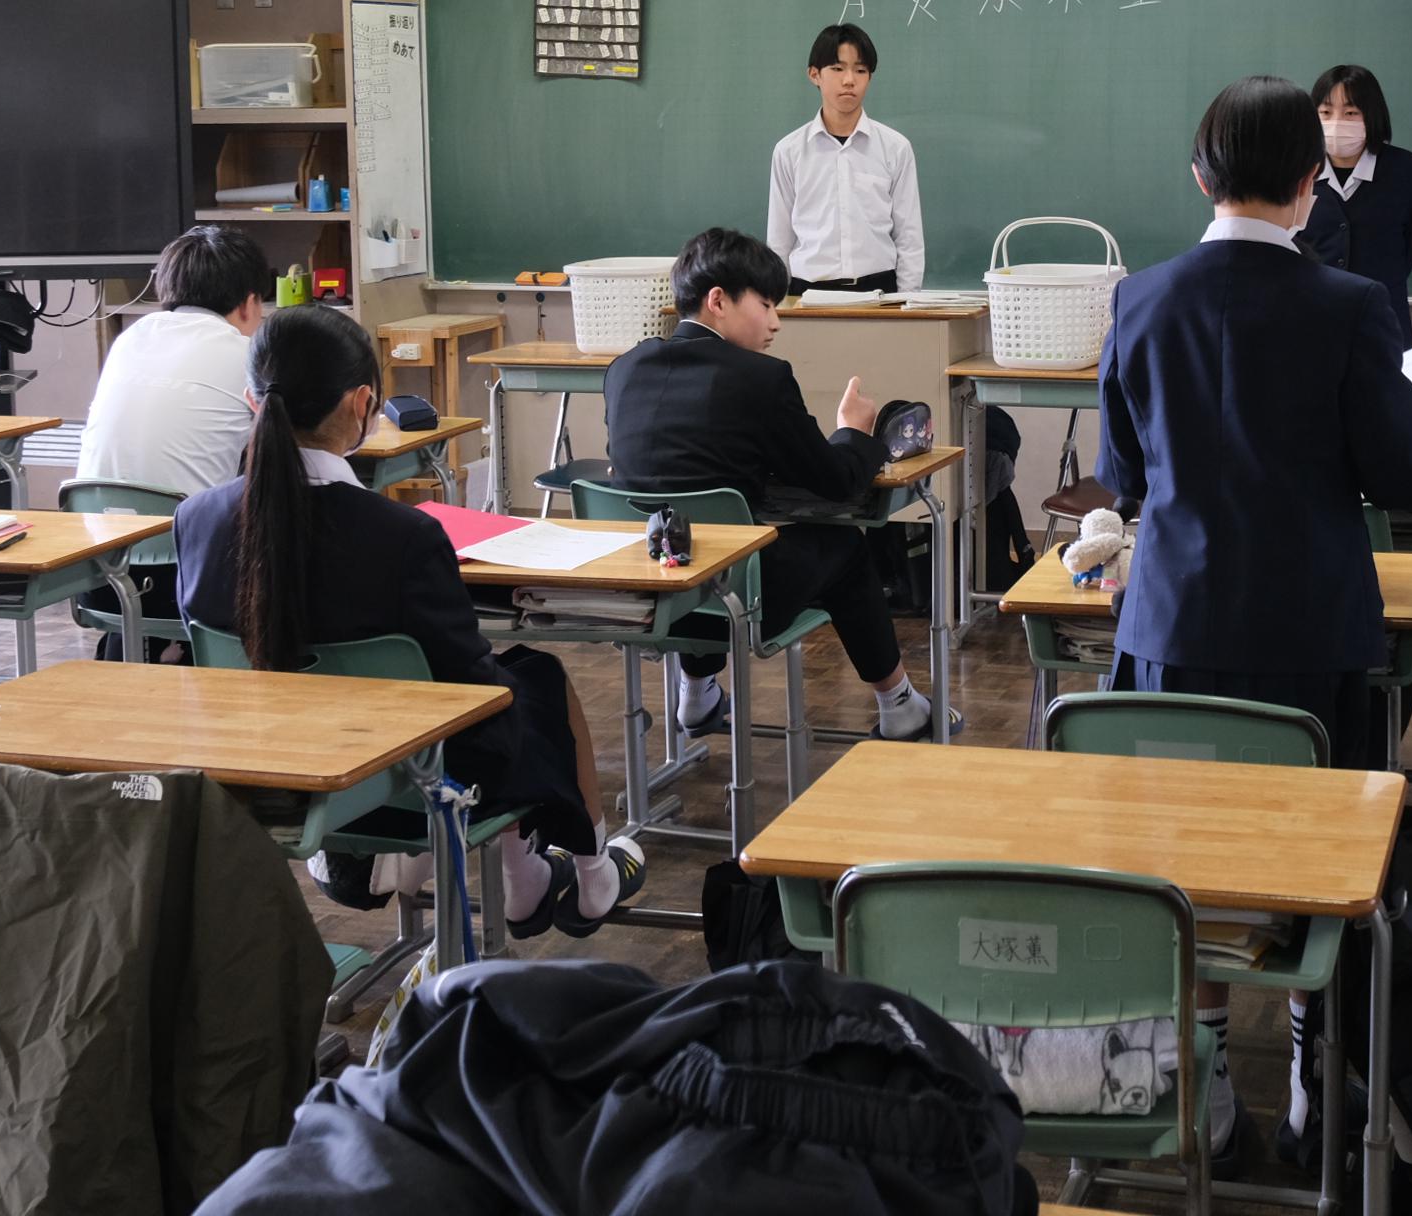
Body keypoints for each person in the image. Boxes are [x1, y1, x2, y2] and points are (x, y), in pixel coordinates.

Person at [1095, 74, 1412, 1166]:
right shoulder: (1350, 304)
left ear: (1199, 177)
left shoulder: (1140, 299)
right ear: (1312, 182)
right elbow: (1405, 476)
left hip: (1173, 627)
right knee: (1321, 854)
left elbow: (1123, 475)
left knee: (1184, 853)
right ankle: (1314, 1073)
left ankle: (1206, 1074)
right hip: (1312, 632)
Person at [176, 306, 642, 936]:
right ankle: (586, 875)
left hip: (270, 771)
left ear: (251, 402)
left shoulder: (196, 519)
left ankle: (527, 878)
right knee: (535, 680)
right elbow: (470, 689)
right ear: (363, 403)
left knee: (513, 690)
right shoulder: (402, 535)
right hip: (400, 778)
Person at [602, 227, 949, 742]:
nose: (775, 322)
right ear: (718, 301)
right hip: (738, 599)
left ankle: (696, 695)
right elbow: (837, 482)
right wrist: (855, 431)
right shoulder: (761, 377)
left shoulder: (624, 369)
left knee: (697, 539)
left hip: (641, 595)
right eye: (765, 305)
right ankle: (899, 705)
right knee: (845, 547)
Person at [72, 223, 269, 650]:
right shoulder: (246, 354)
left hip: (97, 572)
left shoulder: (130, 339)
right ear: (249, 303)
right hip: (190, 584)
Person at [765, 23, 924, 294]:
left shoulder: (895, 148)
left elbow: (909, 238)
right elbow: (779, 240)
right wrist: (779, 304)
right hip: (807, 294)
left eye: (860, 70)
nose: (849, 80)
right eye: (837, 69)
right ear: (815, 74)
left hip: (879, 293)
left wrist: (906, 302)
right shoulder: (789, 151)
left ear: (869, 77)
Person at [1295, 63, 1412, 348]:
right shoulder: (1295, 171)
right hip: (1311, 322)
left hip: (1383, 321)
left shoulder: (1409, 172)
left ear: (1371, 115)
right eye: (1325, 113)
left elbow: (1407, 249)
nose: (1336, 122)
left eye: (1350, 113)